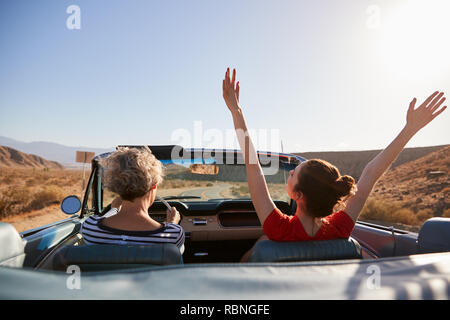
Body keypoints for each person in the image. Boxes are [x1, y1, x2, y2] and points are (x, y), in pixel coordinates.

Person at [222, 68, 446, 261]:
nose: (289, 175)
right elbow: (371, 173)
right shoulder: (341, 228)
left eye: (293, 174)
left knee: (257, 248)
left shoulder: (277, 229)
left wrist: (236, 110)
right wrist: (410, 129)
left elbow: (254, 166)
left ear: (298, 195)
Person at [80, 147, 185, 253]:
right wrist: (173, 223)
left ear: (116, 186)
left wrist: (114, 210)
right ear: (153, 186)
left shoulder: (90, 228)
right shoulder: (173, 235)